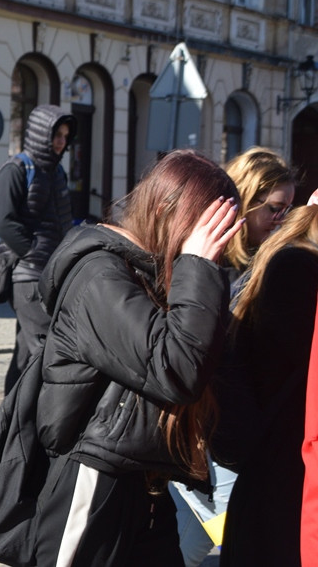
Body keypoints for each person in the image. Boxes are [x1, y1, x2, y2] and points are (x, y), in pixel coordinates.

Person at [33, 149, 243, 566]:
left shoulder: (152, 270)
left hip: (147, 479)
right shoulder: (98, 276)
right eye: (207, 228)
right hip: (96, 477)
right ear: (166, 211)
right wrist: (198, 264)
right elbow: (176, 369)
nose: (214, 245)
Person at [169, 145, 295, 566]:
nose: (281, 220)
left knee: (189, 547)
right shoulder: (212, 265)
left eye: (289, 210)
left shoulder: (266, 259)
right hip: (215, 437)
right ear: (246, 201)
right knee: (243, 541)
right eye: (274, 209)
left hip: (235, 436)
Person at [216, 206, 318, 567]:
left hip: (281, 464)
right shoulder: (297, 266)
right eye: (274, 206)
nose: (278, 215)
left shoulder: (292, 259)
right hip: (283, 466)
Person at [0, 104, 75, 394]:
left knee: (26, 355)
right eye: (56, 135)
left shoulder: (57, 172)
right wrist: (31, 252)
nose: (61, 142)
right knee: (46, 349)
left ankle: (12, 414)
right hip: (27, 276)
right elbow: (3, 222)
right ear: (42, 134)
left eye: (65, 136)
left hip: (52, 274)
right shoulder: (15, 169)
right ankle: (36, 415)